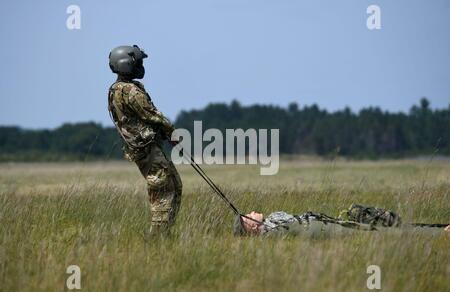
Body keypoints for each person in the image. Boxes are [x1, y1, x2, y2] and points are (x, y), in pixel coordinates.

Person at [108, 45, 182, 235]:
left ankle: (165, 232)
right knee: (163, 188)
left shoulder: (116, 89)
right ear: (126, 64)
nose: (140, 67)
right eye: (137, 63)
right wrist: (172, 134)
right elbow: (152, 116)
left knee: (174, 184)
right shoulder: (130, 91)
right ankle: (158, 236)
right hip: (146, 148)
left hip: (144, 147)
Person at [234, 204, 450, 236]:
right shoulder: (270, 231)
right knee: (380, 230)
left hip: (326, 223)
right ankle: (440, 232)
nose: (252, 212)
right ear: (251, 226)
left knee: (374, 223)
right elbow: (292, 225)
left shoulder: (271, 224)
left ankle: (438, 229)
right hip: (329, 228)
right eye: (249, 216)